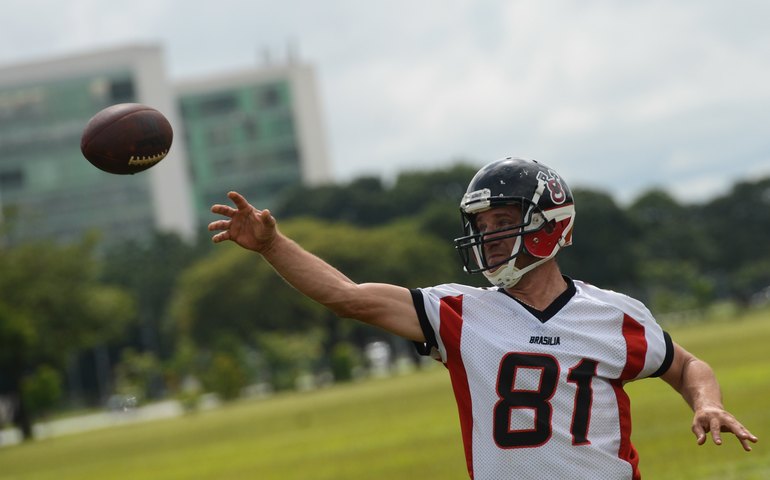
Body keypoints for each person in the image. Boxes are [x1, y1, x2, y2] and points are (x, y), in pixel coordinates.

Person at [208, 157, 757, 479]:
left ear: (549, 222)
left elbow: (687, 366)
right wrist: (273, 247)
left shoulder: (613, 315)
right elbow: (349, 296)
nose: (489, 234)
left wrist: (707, 403)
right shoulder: (460, 313)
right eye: (482, 223)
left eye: (502, 219)